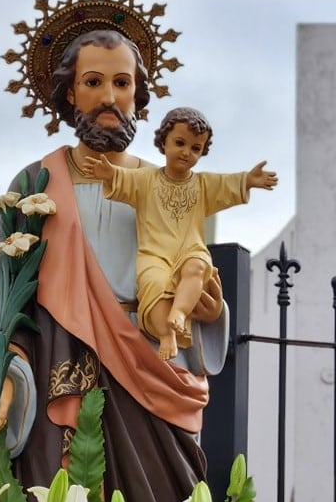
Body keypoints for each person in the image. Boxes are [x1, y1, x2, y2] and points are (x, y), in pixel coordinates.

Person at [0, 0, 231, 502]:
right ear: (69, 94)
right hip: (62, 379)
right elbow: (1, 304)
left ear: (139, 94)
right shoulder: (36, 184)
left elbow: (196, 280)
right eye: (93, 82)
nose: (109, 97)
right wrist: (3, 376)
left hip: (154, 378)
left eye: (122, 82)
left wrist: (210, 313)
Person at [81, 106, 277, 361]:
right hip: (154, 255)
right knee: (155, 286)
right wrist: (109, 174)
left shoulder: (202, 184)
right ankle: (167, 334)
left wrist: (248, 180)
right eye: (180, 143)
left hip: (189, 250)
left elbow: (228, 184)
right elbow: (124, 179)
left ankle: (180, 314)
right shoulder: (146, 179)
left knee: (196, 268)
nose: (186, 153)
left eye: (195, 148)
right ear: (163, 141)